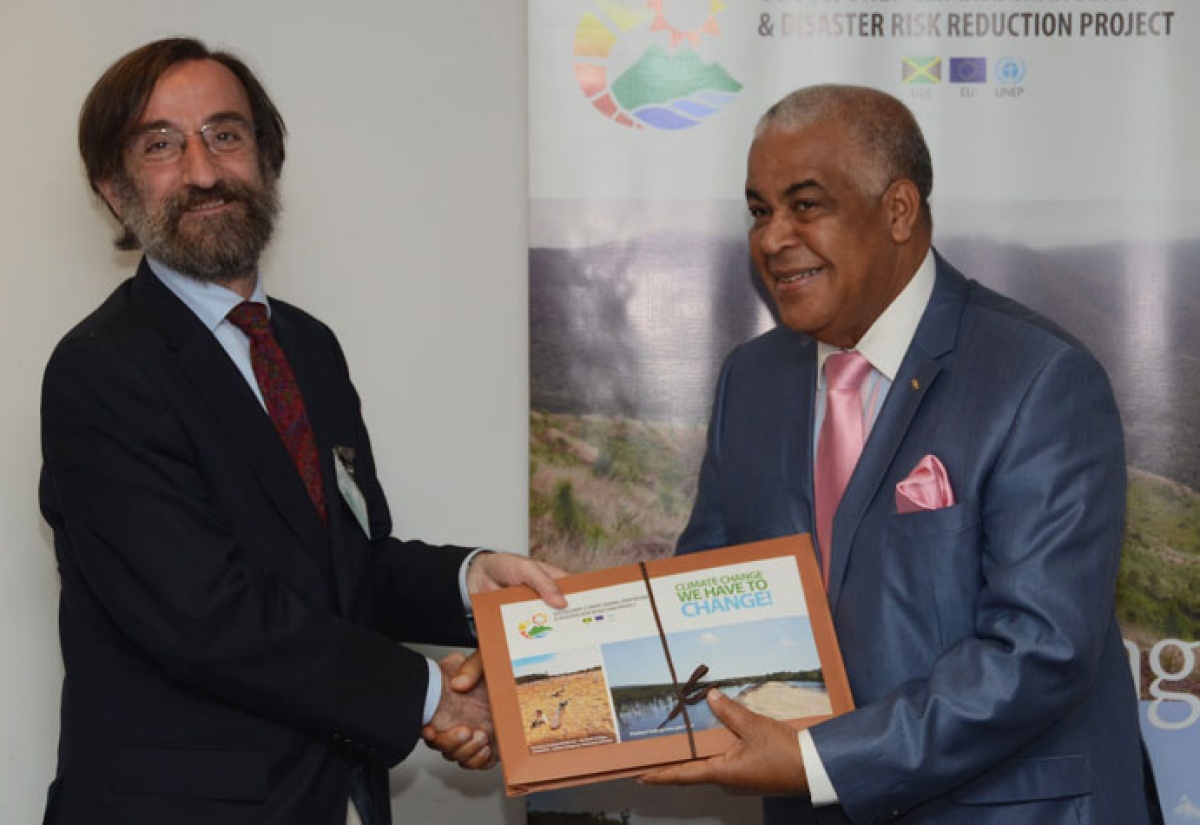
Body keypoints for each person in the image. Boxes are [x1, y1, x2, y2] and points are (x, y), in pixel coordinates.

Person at [39, 37, 564, 825]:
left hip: (331, 796)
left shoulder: (307, 348)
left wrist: (471, 579)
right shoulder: (100, 371)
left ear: (266, 158)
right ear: (114, 190)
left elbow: (346, 567)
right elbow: (206, 615)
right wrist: (431, 697)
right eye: (161, 145)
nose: (205, 170)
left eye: (226, 134)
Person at [639, 85, 1162, 824]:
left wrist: (821, 760)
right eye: (759, 210)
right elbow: (703, 596)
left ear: (898, 211)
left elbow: (1039, 649)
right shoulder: (749, 382)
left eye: (806, 204)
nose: (772, 237)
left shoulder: (1039, 378)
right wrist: (537, 692)